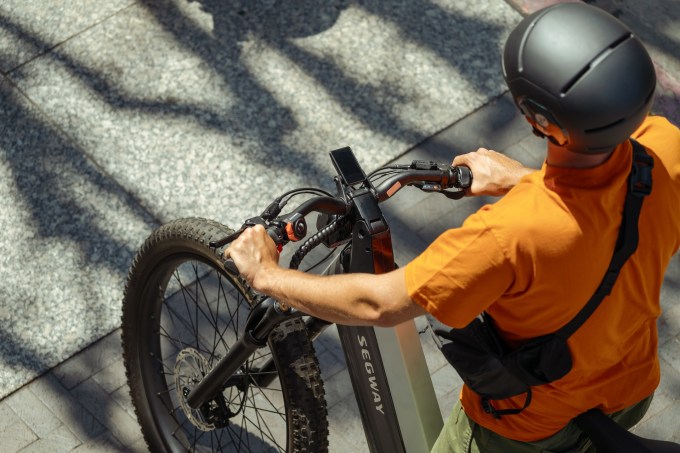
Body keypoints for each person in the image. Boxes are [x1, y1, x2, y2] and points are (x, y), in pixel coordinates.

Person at [224, 3, 680, 452]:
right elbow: (606, 207)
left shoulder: (505, 236)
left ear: (537, 119)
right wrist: (523, 179)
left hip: (531, 428)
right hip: (630, 388)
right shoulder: (666, 147)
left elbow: (380, 304)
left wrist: (268, 275)